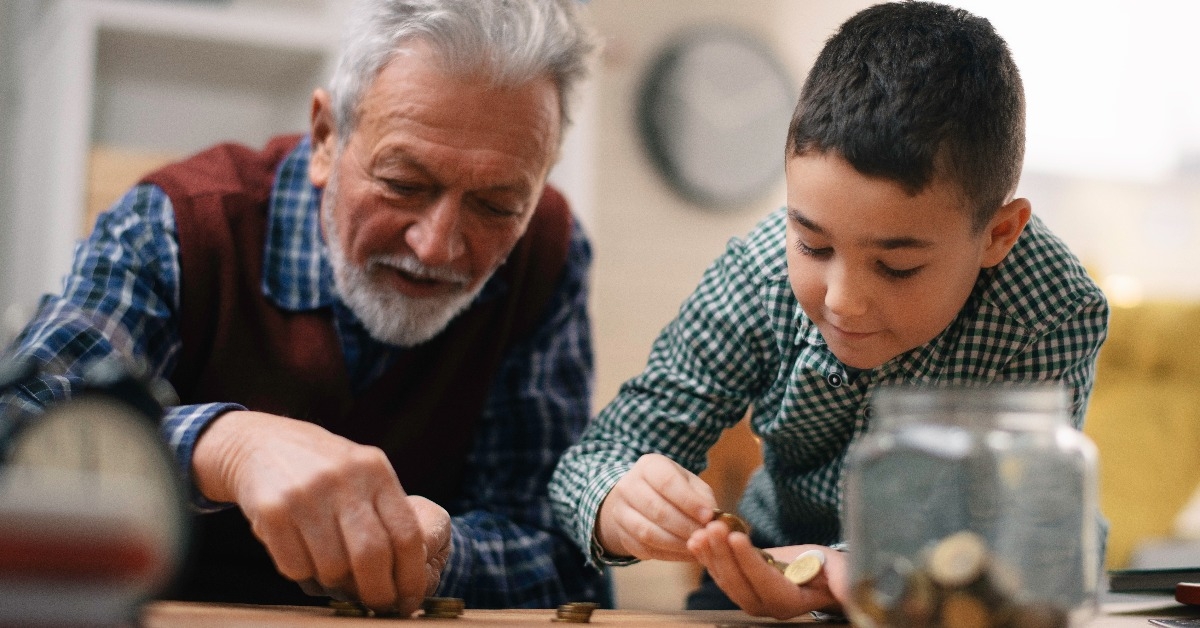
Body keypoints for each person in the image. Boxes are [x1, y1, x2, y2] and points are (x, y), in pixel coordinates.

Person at [0, 0, 606, 616]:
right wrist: (225, 445)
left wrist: (443, 554)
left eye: (497, 206)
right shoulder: (179, 224)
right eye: (403, 183)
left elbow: (564, 554)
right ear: (325, 137)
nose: (437, 244)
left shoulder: (547, 256)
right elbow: (16, 425)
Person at [549, 1, 1109, 620]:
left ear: (999, 235)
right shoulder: (758, 274)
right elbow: (594, 459)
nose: (841, 300)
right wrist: (615, 502)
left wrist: (861, 565)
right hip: (768, 564)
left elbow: (1023, 521)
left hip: (956, 590)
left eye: (897, 266)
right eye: (813, 244)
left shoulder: (1048, 307)